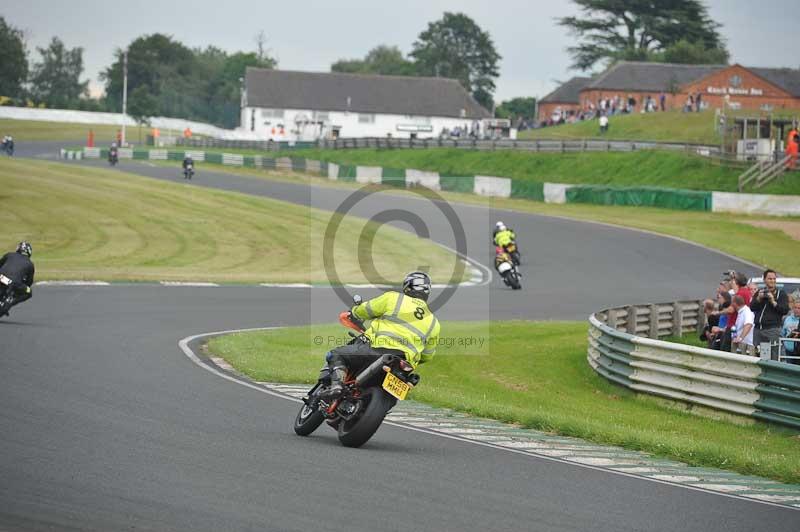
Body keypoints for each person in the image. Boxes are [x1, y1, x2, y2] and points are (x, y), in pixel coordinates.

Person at [322, 272, 440, 398]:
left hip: (378, 350)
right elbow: (427, 356)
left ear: (407, 287)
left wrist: (354, 313)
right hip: (404, 364)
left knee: (336, 354)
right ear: (427, 291)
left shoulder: (394, 298)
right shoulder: (434, 323)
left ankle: (337, 386)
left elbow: (367, 309)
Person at [750, 269, 790, 348]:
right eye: (770, 279)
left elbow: (784, 310)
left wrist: (773, 301)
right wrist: (758, 298)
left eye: (774, 279)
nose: (772, 281)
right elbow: (752, 308)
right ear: (764, 280)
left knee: (773, 356)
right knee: (758, 356)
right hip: (758, 329)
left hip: (772, 329)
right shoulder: (760, 292)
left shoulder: (781, 294)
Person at [0, 241, 35, 316]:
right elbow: (29, 282)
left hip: (1, 277)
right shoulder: (30, 264)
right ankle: (10, 301)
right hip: (14, 283)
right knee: (29, 291)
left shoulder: (9, 255)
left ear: (18, 249)